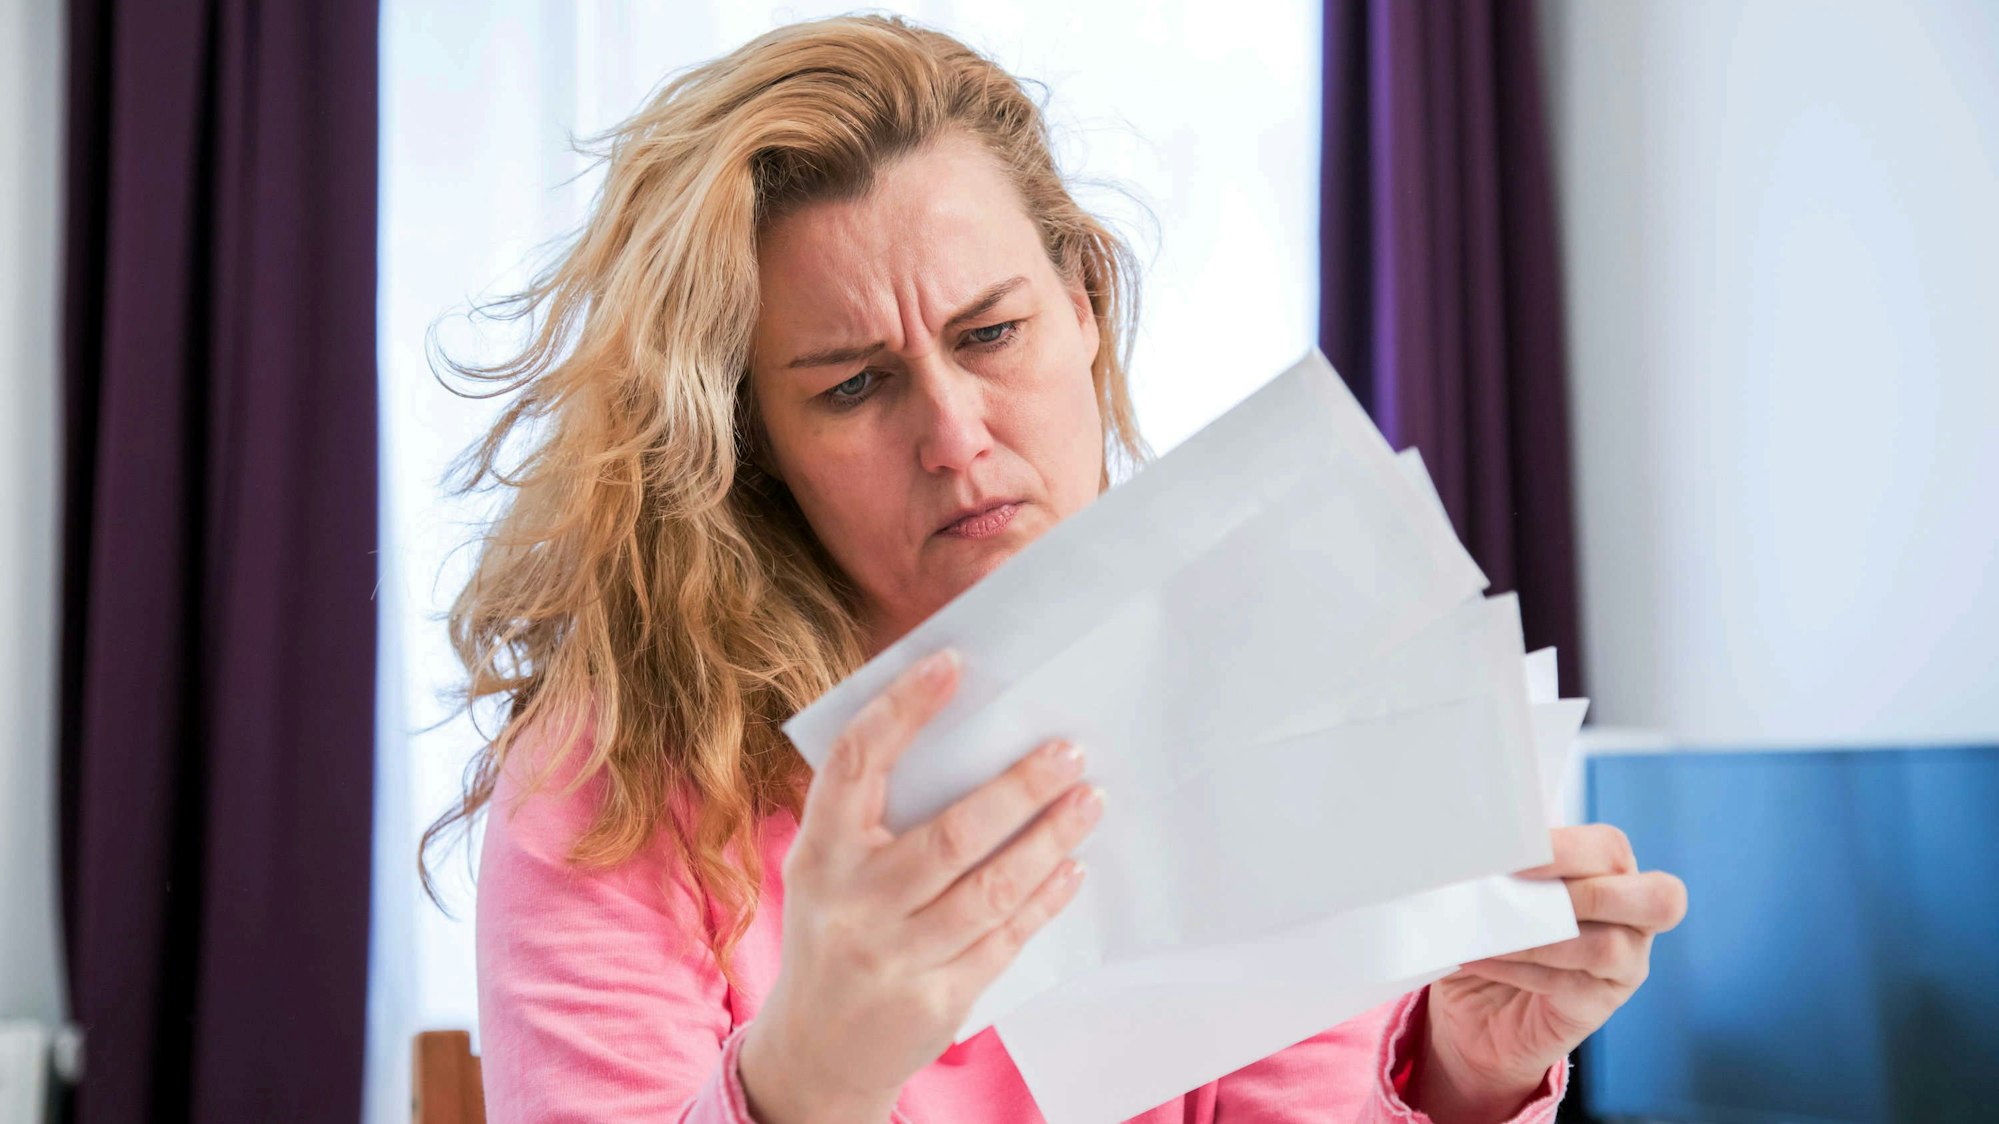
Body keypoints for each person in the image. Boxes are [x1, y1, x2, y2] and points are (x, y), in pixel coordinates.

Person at [431, 13, 1688, 1123]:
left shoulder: (1255, 681)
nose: (955, 435)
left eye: (992, 333)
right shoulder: (612, 785)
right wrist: (806, 1080)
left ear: (1084, 300)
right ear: (751, 438)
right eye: (854, 385)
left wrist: (1462, 1080)